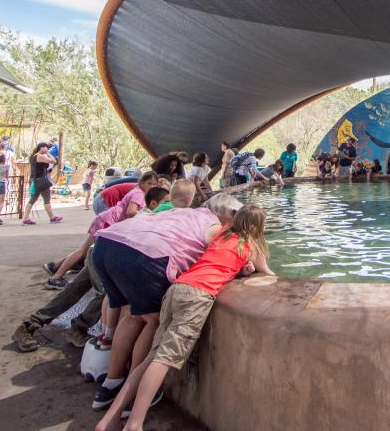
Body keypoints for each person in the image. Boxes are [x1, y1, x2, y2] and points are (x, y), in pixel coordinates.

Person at [96, 205, 271, 431]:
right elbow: (268, 273)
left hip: (176, 288)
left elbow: (218, 261)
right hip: (197, 296)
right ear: (258, 227)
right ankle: (134, 424)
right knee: (165, 360)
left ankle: (109, 419)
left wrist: (241, 269)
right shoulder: (252, 245)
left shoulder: (223, 234)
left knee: (151, 358)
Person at [89, 192, 233, 410]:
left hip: (107, 245)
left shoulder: (182, 212)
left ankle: (111, 382)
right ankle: (134, 390)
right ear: (225, 214)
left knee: (130, 316)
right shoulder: (215, 226)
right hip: (144, 256)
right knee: (153, 321)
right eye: (234, 216)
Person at [44, 176, 164, 290]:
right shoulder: (139, 194)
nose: (152, 186)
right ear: (142, 182)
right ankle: (55, 278)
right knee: (83, 251)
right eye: (149, 183)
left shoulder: (137, 190)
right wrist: (148, 215)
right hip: (107, 221)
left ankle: (55, 266)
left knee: (83, 250)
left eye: (154, 184)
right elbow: (131, 212)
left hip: (106, 219)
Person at [22, 142, 60, 225]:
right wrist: (48, 153)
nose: (48, 149)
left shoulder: (34, 156)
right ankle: (52, 217)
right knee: (46, 199)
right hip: (41, 181)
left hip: (35, 180)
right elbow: (53, 161)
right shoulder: (40, 156)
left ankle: (25, 218)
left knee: (33, 199)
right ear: (41, 148)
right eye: (46, 148)